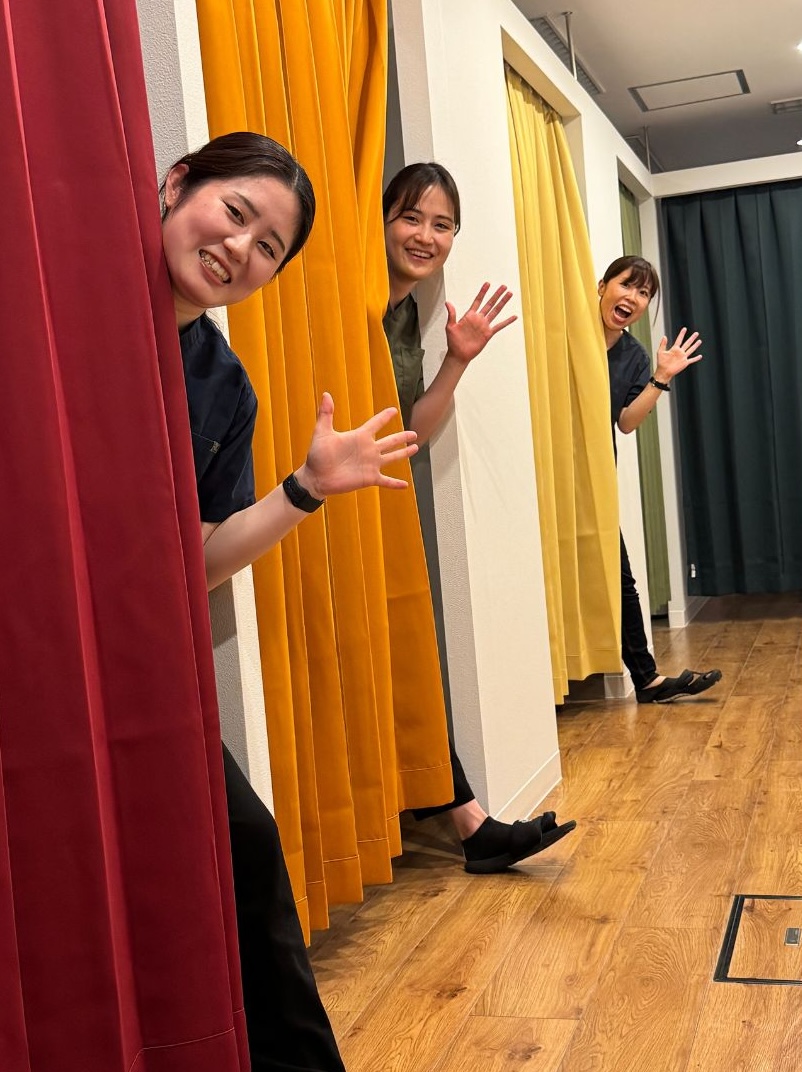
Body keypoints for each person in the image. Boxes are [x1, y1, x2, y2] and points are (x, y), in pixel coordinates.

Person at [161, 132, 420, 1072]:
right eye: (235, 213)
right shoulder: (58, 292)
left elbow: (195, 561)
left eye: (267, 247)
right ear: (175, 183)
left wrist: (304, 490)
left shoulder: (222, 387)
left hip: (130, 662)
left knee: (244, 843)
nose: (240, 249)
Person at [382, 162, 577, 874]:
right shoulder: (351, 301)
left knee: (405, 661)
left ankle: (469, 825)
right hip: (324, 507)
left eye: (442, 225)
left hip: (377, 502)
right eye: (410, 217)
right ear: (379, 221)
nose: (425, 236)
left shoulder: (409, 313)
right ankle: (469, 827)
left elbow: (412, 431)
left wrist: (457, 360)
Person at [598, 254, 722, 704]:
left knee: (620, 578)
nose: (633, 297)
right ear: (601, 286)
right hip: (547, 471)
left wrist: (661, 377)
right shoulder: (568, 333)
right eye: (626, 284)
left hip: (593, 477)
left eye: (643, 292)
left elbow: (627, 422)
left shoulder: (633, 355)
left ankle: (647, 680)